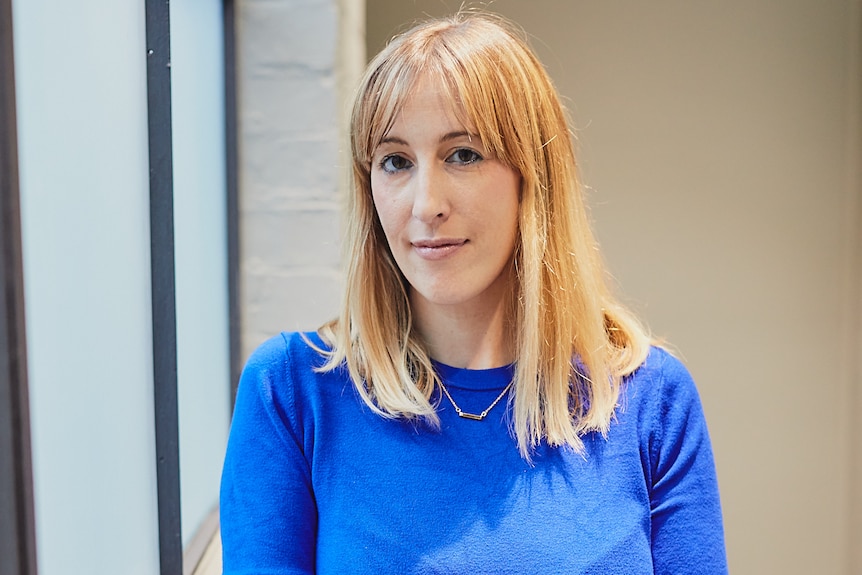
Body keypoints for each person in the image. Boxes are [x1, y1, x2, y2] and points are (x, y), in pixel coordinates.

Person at [220, 12, 727, 574]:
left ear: (531, 178)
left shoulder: (651, 400)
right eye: (395, 162)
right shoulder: (293, 393)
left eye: (463, 154)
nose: (425, 204)